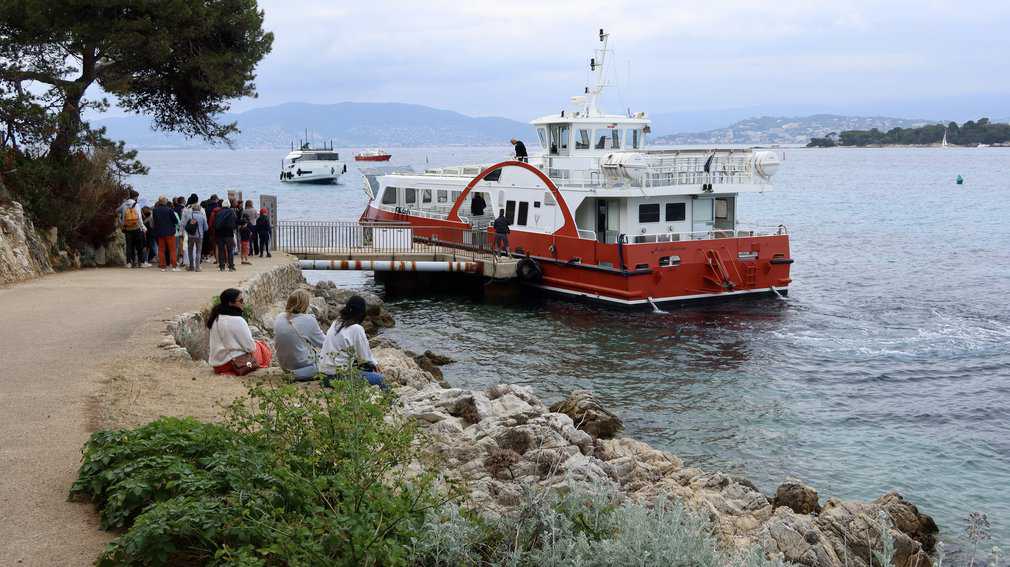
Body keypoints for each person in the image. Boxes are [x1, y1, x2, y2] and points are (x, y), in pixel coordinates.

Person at [318, 295, 387, 390]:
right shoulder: (356, 329)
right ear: (361, 313)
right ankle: (391, 401)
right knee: (380, 379)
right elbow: (365, 358)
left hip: (323, 376)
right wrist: (375, 364)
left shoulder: (336, 322)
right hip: (337, 377)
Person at [207, 288, 272, 375]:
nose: (243, 303)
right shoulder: (238, 320)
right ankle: (265, 367)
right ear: (231, 303)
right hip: (234, 364)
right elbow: (251, 347)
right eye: (241, 301)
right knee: (261, 347)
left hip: (218, 366)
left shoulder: (215, 318)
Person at [273, 289, 326, 381]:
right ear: (305, 305)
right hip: (300, 365)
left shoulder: (279, 317)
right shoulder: (309, 320)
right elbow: (324, 343)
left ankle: (294, 373)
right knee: (327, 364)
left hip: (284, 364)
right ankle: (296, 375)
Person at [117, 189, 146, 268]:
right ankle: (141, 262)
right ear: (136, 197)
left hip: (127, 229)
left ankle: (129, 262)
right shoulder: (136, 205)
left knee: (129, 246)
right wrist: (143, 227)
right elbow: (139, 218)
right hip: (136, 228)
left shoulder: (124, 204)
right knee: (139, 246)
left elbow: (117, 211)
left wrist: (121, 221)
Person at [151, 196, 179, 271]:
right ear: (164, 201)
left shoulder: (155, 210)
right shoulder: (169, 210)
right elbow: (175, 221)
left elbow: (155, 221)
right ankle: (174, 266)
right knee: (172, 250)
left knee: (161, 250)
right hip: (170, 232)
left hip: (160, 232)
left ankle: (162, 266)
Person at [181, 202, 208, 271]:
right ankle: (197, 267)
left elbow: (185, 225)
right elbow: (206, 228)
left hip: (190, 235)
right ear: (199, 209)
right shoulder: (202, 216)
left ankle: (191, 267)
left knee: (190, 251)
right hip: (199, 236)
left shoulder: (190, 216)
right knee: (198, 251)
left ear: (192, 209)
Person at [214, 203, 238, 271]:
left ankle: (222, 266)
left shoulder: (218, 212)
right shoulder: (231, 211)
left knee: (221, 250)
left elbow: (215, 223)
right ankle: (231, 266)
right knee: (230, 250)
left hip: (219, 234)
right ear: (228, 205)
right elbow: (235, 222)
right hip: (229, 234)